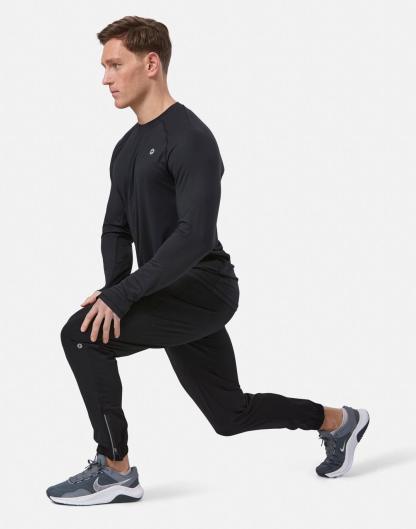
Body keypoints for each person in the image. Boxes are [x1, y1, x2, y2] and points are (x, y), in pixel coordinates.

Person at [46, 16, 370, 506]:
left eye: (115, 65)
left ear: (150, 64)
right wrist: (114, 290)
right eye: (104, 67)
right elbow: (116, 228)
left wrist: (124, 295)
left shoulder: (190, 138)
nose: (105, 78)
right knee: (229, 415)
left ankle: (115, 470)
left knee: (80, 337)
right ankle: (339, 421)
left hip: (204, 289)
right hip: (165, 289)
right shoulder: (126, 148)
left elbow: (194, 236)